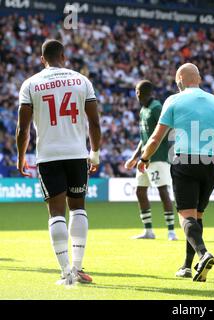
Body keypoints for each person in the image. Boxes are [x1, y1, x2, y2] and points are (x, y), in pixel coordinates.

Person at [137, 63, 214, 282]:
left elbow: (156, 137)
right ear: (199, 79)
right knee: (197, 215)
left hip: (185, 159)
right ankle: (187, 265)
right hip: (213, 162)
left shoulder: (173, 100)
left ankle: (203, 255)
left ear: (181, 79)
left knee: (185, 215)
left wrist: (144, 158)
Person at [16, 39, 101, 285]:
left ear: (43, 59)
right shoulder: (81, 80)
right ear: (63, 56)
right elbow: (94, 122)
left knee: (56, 212)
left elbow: (23, 129)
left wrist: (21, 157)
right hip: (77, 154)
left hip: (49, 156)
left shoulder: (30, 84)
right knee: (78, 208)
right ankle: (78, 267)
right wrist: (94, 152)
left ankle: (66, 273)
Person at [124, 80, 177, 241]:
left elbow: (164, 131)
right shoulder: (143, 110)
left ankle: (171, 231)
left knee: (162, 191)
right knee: (140, 191)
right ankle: (148, 231)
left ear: (141, 92)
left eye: (137, 91)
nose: (136, 94)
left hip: (158, 157)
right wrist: (134, 158)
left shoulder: (156, 108)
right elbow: (144, 138)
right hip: (144, 158)